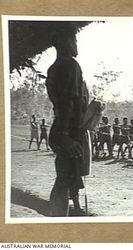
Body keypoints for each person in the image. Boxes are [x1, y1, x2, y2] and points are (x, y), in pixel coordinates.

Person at [46, 30, 90, 216]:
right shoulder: (71, 66)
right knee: (64, 181)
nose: (76, 44)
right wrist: (66, 137)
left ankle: (56, 221)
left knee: (63, 180)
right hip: (68, 132)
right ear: (65, 41)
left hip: (62, 130)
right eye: (74, 39)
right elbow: (68, 102)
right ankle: (56, 225)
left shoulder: (53, 68)